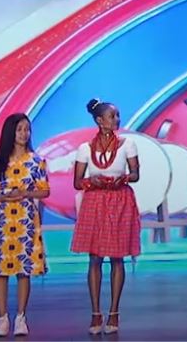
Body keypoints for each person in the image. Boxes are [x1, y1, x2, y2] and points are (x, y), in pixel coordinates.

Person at [71, 99, 141, 335]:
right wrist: (92, 181)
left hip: (119, 201)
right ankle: (95, 313)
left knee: (117, 258)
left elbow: (135, 174)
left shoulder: (127, 144)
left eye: (118, 115)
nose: (117, 120)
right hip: (95, 202)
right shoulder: (85, 148)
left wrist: (123, 178)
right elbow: (77, 182)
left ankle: (114, 312)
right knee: (95, 259)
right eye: (113, 116)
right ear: (100, 121)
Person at [0, 113, 50, 338]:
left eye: (27, 129)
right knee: (0, 272)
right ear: (11, 132)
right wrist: (1, 197)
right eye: (19, 129)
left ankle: (21, 317)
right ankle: (2, 319)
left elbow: (44, 190)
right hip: (2, 220)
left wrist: (26, 194)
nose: (24, 133)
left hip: (25, 220)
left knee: (23, 271)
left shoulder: (36, 161)